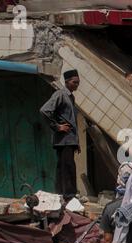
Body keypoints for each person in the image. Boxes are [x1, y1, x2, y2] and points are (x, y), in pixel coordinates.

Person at [40, 69, 81, 201]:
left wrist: (76, 142)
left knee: (65, 166)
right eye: (75, 82)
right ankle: (68, 195)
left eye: (78, 83)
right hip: (63, 140)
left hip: (70, 140)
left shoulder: (71, 97)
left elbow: (72, 121)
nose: (77, 85)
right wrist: (58, 127)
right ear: (67, 82)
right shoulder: (60, 94)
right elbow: (45, 110)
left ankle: (62, 193)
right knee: (67, 167)